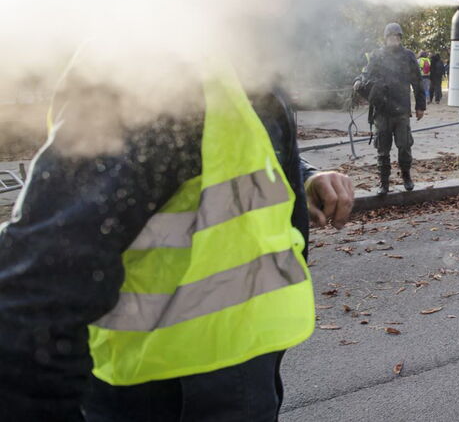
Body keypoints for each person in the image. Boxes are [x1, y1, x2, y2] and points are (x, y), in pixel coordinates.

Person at [0, 59, 355, 422]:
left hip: (240, 359)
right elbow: (40, 270)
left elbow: (244, 145)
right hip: (161, 380)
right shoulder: (146, 67)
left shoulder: (234, 55)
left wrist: (306, 177)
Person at [355, 23, 426, 195]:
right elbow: (367, 74)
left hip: (401, 110)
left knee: (404, 146)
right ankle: (384, 182)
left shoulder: (408, 56)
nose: (394, 39)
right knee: (382, 149)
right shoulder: (377, 56)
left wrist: (420, 106)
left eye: (397, 36)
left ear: (400, 38)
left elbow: (417, 81)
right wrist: (358, 80)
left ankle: (407, 177)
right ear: (385, 38)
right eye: (390, 36)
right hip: (382, 111)